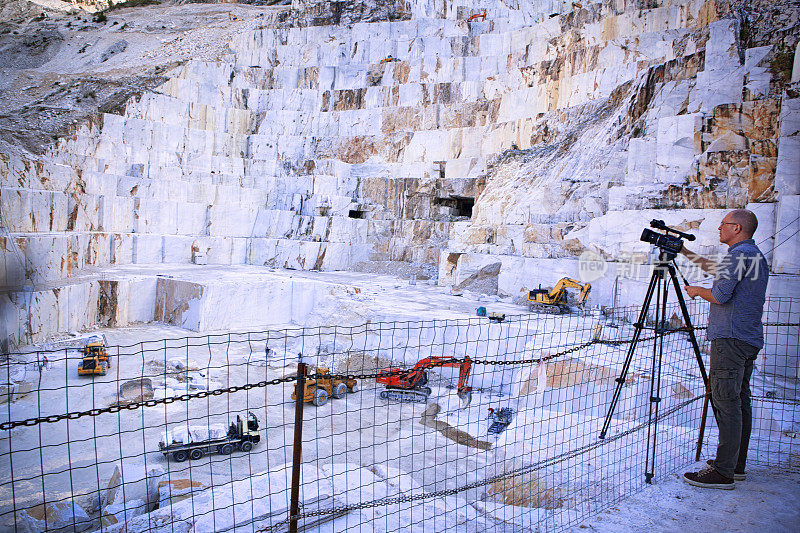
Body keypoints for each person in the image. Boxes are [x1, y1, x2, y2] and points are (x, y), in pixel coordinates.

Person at [681, 209, 769, 489]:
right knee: (740, 401)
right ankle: (735, 465)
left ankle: (723, 472)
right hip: (747, 338)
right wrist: (683, 251)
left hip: (729, 339)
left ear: (737, 228)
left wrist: (696, 291)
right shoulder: (753, 255)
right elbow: (718, 272)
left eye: (723, 224)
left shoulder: (738, 255)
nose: (719, 228)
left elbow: (719, 294)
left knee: (725, 401)